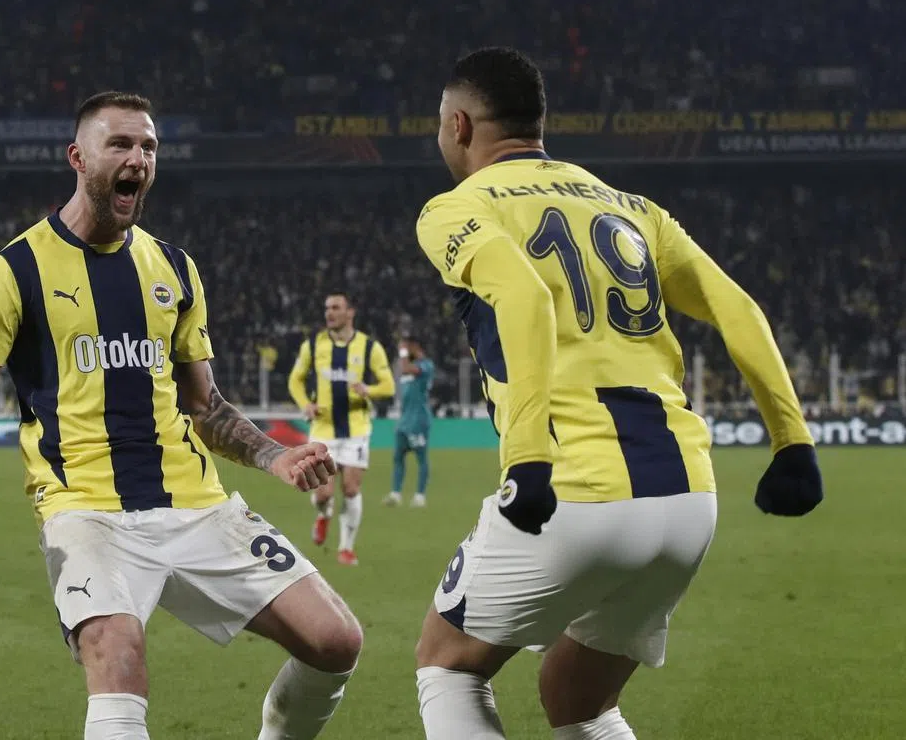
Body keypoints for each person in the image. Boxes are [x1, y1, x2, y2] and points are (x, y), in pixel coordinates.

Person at [412, 48, 824, 740]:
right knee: (578, 698)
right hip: (687, 499)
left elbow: (524, 296)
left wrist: (528, 461)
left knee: (447, 663)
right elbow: (738, 308)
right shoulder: (634, 209)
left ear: (459, 125)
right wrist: (792, 443)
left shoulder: (457, 208)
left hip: (573, 492)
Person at [0, 91, 362, 740]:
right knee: (118, 655)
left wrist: (275, 456)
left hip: (196, 505)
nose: (138, 158)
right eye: (121, 144)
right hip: (85, 510)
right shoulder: (14, 268)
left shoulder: (174, 268)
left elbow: (204, 404)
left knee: (336, 641)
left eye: (149, 147)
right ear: (78, 158)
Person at [288, 292, 395, 566]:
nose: (329, 313)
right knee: (322, 493)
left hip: (356, 429)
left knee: (350, 488)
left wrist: (368, 390)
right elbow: (295, 380)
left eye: (336, 308)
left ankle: (346, 548)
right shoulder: (313, 345)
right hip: (323, 430)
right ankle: (323, 514)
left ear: (350, 312)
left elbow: (388, 385)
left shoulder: (369, 347)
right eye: (327, 308)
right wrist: (305, 404)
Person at [384, 337, 435, 507]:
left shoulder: (426, 365)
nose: (404, 350)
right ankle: (395, 494)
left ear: (416, 346)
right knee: (398, 457)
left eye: (407, 346)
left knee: (421, 458)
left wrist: (403, 351)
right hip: (404, 420)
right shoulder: (407, 367)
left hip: (419, 420)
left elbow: (406, 368)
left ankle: (420, 496)